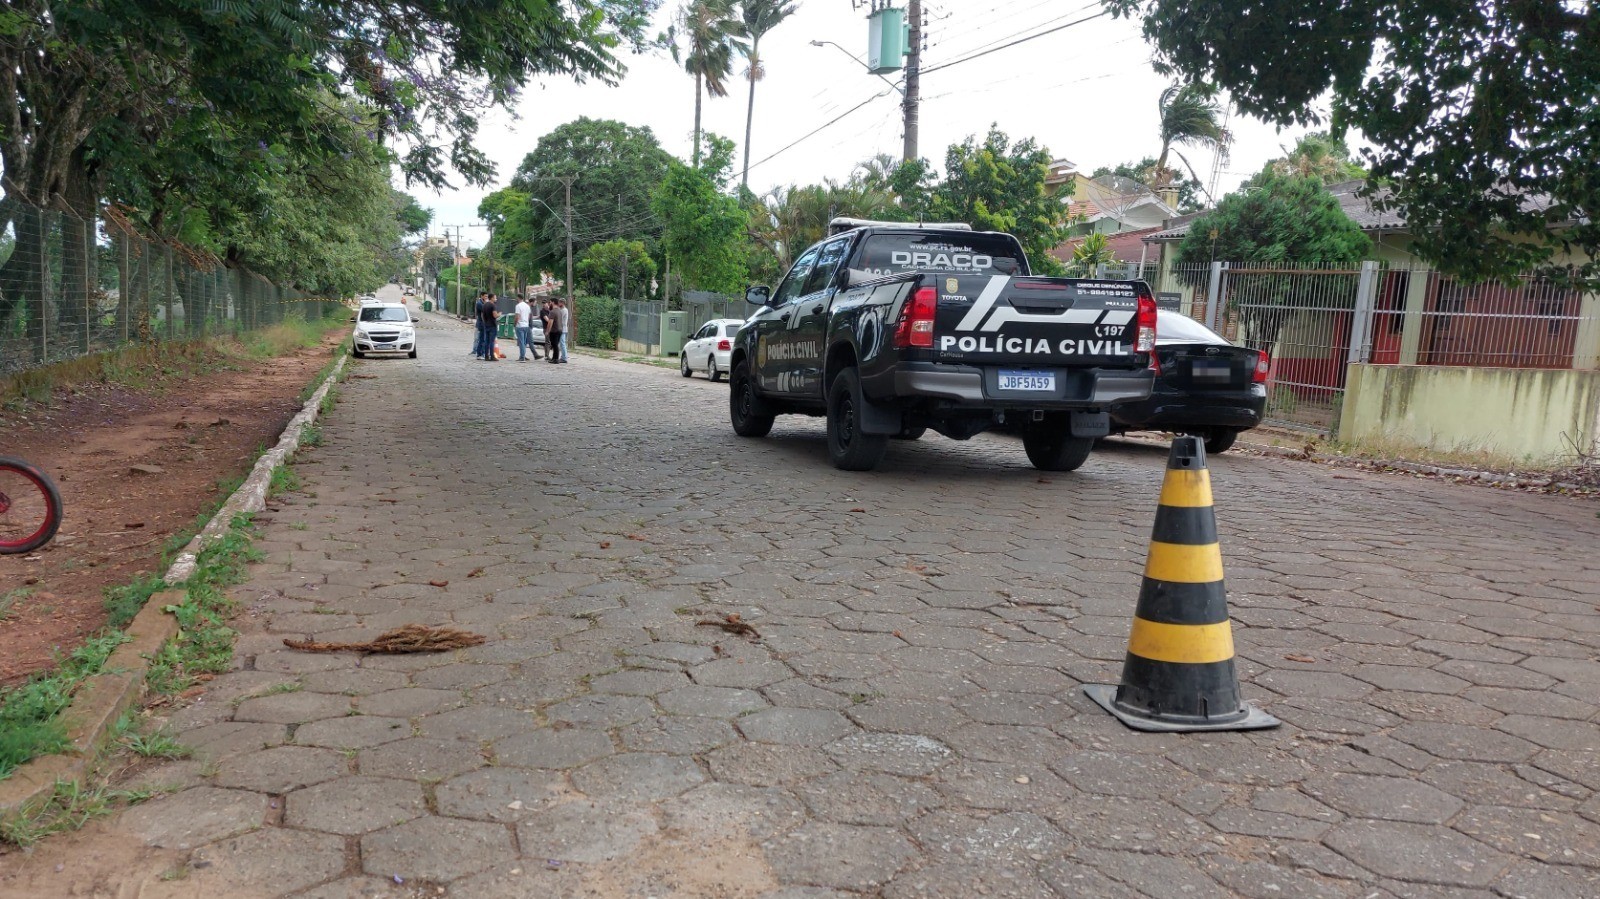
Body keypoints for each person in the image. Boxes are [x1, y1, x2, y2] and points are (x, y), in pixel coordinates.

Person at [514, 294, 539, 362]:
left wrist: (515, 324)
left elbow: (517, 316)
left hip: (520, 325)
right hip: (526, 325)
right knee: (524, 342)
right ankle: (522, 356)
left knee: (521, 342)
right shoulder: (527, 306)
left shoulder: (518, 306)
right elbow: (528, 317)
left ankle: (522, 357)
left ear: (518, 298)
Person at [481, 293, 500, 361]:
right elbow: (495, 315)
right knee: (492, 341)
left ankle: (486, 355)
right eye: (495, 297)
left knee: (487, 341)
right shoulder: (493, 305)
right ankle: (492, 356)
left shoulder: (484, 305)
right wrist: (499, 314)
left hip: (486, 324)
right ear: (492, 298)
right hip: (492, 325)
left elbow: (482, 315)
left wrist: (484, 322)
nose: (496, 299)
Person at [550, 299, 569, 364]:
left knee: (562, 343)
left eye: (559, 303)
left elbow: (558, 318)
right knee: (559, 343)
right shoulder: (561, 310)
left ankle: (564, 357)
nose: (558, 304)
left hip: (563, 328)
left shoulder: (564, 310)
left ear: (562, 303)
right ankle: (560, 357)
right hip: (561, 328)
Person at [471, 292, 488, 358]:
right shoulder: (479, 303)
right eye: (485, 296)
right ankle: (480, 353)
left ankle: (480, 353)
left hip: (484, 323)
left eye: (487, 296)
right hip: (481, 323)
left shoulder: (483, 303)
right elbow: (485, 310)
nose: (486, 298)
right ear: (482, 296)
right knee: (481, 339)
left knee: (482, 338)